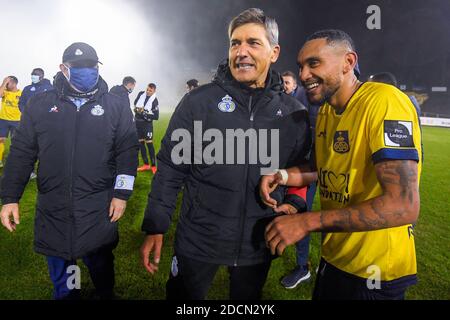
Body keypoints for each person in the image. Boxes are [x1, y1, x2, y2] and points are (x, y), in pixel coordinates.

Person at [139, 8, 311, 300]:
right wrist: (156, 226)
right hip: (198, 239)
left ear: (274, 52)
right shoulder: (198, 102)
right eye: (235, 43)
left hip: (258, 242)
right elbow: (170, 168)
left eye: (253, 43)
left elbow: (302, 168)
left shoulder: (294, 114)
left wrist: (294, 202)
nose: (241, 51)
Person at [260, 29, 422, 300]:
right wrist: (283, 176)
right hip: (335, 258)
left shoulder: (383, 101)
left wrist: (307, 222)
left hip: (375, 271)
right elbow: (319, 169)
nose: (303, 75)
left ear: (348, 62)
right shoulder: (326, 111)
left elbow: (403, 204)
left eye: (314, 63)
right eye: (301, 66)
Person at [0, 42, 139, 300]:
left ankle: (105, 292)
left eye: (91, 66)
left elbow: (128, 152)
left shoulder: (116, 106)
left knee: (101, 266)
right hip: (54, 207)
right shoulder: (39, 105)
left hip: (98, 206)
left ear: (98, 67)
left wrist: (121, 194)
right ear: (64, 68)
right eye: (78, 67)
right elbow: (21, 154)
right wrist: (9, 197)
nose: (86, 71)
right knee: (64, 280)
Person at [18, 68, 53, 179]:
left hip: (44, 123)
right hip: (28, 123)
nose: (33, 76)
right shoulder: (27, 89)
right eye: (32, 74)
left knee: (44, 148)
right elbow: (21, 103)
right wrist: (26, 113)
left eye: (36, 74)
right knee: (29, 147)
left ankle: (44, 172)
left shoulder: (49, 88)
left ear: (41, 76)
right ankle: (30, 171)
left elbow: (52, 104)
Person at [133, 83, 159, 174]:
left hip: (147, 125)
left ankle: (153, 166)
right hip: (137, 123)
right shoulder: (141, 94)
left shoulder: (155, 101)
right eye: (147, 89)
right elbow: (135, 104)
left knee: (149, 144)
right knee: (141, 144)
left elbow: (156, 116)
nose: (148, 92)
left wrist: (143, 112)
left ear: (154, 91)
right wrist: (138, 110)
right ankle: (146, 164)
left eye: (150, 91)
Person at [0, 76, 22, 168]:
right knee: (1, 140)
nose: (6, 85)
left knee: (16, 142)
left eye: (8, 83)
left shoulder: (22, 93)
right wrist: (4, 82)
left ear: (14, 83)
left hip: (17, 121)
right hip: (3, 120)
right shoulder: (5, 92)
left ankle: (15, 161)